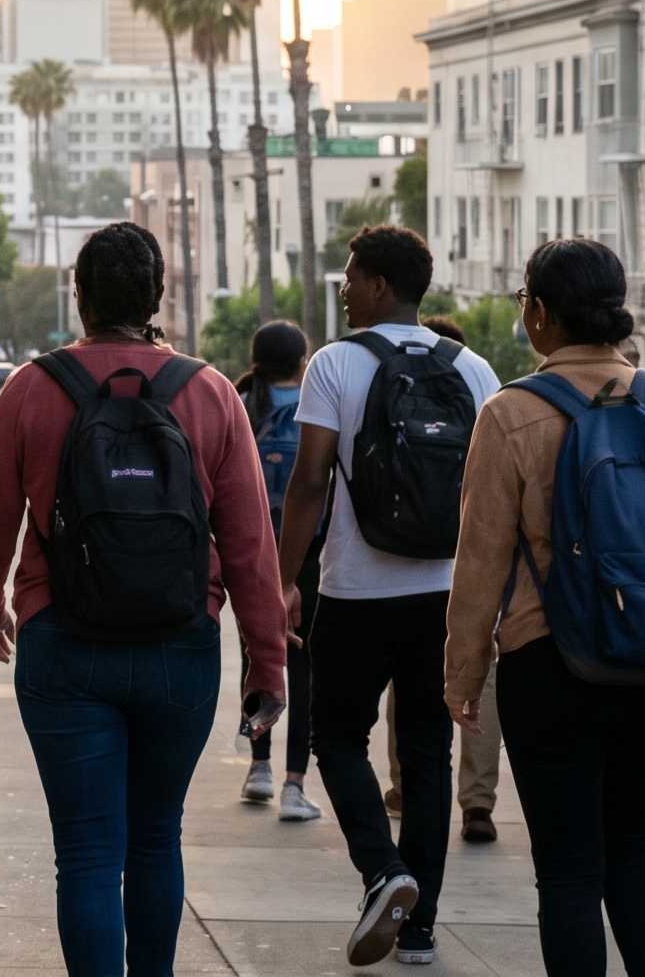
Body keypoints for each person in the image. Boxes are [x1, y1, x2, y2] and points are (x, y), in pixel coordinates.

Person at [0, 225, 290, 975]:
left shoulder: (30, 388)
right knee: (154, 837)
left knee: (85, 852)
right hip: (181, 648)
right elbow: (248, 545)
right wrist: (265, 661)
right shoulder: (208, 393)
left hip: (63, 645)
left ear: (79, 296)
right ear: (157, 296)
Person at [446, 240, 645, 977]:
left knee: (571, 877)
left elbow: (480, 562)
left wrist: (462, 673)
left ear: (541, 313)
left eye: (525, 301)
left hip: (551, 671)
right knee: (635, 857)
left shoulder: (510, 414)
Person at [273, 227, 499, 967]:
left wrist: (283, 578)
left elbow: (309, 480)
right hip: (445, 594)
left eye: (348, 276)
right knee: (428, 754)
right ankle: (422, 929)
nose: (342, 288)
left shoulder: (334, 364)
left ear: (375, 285)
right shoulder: (475, 369)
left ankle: (383, 869)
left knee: (334, 737)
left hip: (356, 589)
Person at [362, 314, 506, 844]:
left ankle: (403, 786)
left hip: (409, 568)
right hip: (476, 564)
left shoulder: (394, 395)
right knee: (480, 681)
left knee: (411, 686)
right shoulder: (484, 395)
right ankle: (478, 803)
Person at [233, 320, 322, 822]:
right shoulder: (315, 401)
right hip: (308, 552)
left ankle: (258, 768)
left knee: (256, 659)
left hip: (254, 551)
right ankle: (295, 784)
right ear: (301, 359)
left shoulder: (245, 402)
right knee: (303, 666)